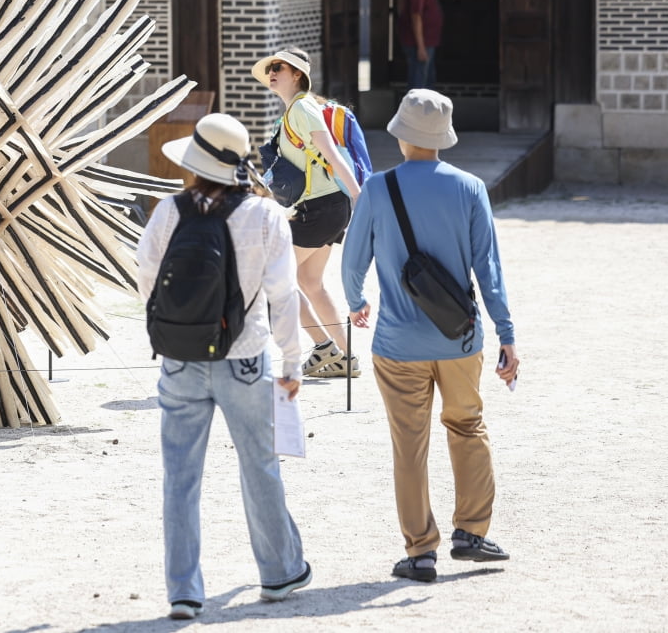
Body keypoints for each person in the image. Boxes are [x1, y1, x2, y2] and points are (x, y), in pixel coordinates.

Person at [340, 89, 520, 583]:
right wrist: (506, 332)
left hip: (397, 346)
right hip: (460, 341)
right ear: (443, 138)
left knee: (409, 446)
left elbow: (353, 260)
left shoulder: (377, 189)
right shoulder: (470, 188)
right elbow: (489, 270)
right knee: (468, 427)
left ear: (401, 136)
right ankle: (472, 533)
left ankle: (420, 552)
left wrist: (356, 302)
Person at [137, 113, 312, 620]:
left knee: (180, 476)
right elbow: (283, 296)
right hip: (244, 356)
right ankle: (279, 573)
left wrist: (176, 327)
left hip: (180, 359)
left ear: (193, 163)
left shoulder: (169, 211)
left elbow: (145, 274)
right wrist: (293, 360)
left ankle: (184, 592)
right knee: (260, 464)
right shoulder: (265, 216)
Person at [251, 49, 362, 379]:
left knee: (272, 277)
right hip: (322, 208)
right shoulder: (292, 112)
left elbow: (332, 156)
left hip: (321, 209)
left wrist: (362, 200)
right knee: (310, 282)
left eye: (278, 67)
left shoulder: (302, 108)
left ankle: (324, 347)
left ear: (297, 74)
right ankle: (346, 357)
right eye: (269, 68)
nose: (272, 72)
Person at [396, 0, 443, 90]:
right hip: (419, 44)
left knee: (427, 83)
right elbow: (416, 14)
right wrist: (421, 46)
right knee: (419, 85)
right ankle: (416, 113)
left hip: (427, 41)